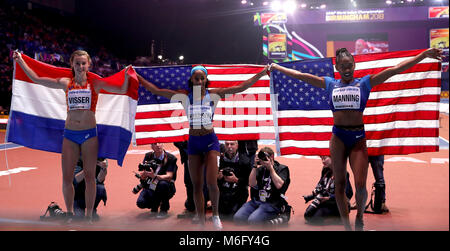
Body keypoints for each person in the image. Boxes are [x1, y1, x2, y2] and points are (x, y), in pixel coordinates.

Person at [270, 47, 442, 230]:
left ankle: (359, 216)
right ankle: (347, 225)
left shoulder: (364, 83)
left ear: (354, 65)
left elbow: (395, 69)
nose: (346, 69)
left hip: (358, 139)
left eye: (349, 65)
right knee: (340, 183)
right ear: (337, 67)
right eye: (343, 66)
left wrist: (423, 55)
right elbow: (300, 75)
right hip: (338, 138)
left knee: (360, 186)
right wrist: (277, 68)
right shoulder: (329, 84)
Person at [137, 64, 269, 230]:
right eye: (196, 78)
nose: (199, 81)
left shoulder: (213, 94)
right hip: (193, 143)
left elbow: (241, 87)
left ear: (206, 80)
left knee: (211, 183)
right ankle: (200, 220)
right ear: (191, 79)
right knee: (196, 185)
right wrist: (137, 75)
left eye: (202, 78)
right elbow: (156, 90)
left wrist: (262, 73)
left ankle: (215, 216)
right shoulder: (184, 96)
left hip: (210, 141)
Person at [13, 50, 131, 223]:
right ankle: (69, 213)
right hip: (69, 135)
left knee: (90, 176)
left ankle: (89, 215)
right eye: (77, 63)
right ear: (72, 64)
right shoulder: (65, 82)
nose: (81, 66)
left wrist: (127, 74)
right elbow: (37, 79)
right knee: (67, 177)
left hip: (89, 135)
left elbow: (122, 88)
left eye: (84, 63)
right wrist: (21, 61)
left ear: (89, 64)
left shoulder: (96, 83)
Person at [233, 147, 290, 225]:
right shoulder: (260, 169)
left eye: (265, 157)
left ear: (272, 157)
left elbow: (279, 185)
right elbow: (251, 184)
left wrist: (270, 168)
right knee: (238, 218)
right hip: (257, 201)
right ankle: (259, 214)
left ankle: (280, 216)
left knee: (253, 221)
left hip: (272, 203)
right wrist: (254, 166)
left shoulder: (282, 169)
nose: (263, 160)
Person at [303, 156, 353, 225]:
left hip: (337, 204)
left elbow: (348, 193)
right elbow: (321, 185)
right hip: (325, 201)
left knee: (315, 219)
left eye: (325, 158)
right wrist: (312, 195)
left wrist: (330, 198)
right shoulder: (325, 170)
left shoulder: (342, 173)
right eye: (321, 159)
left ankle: (339, 217)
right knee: (307, 215)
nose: (323, 161)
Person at [135, 143, 178, 219]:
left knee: (162, 184)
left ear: (163, 144)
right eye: (155, 144)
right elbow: (144, 174)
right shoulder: (148, 156)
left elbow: (169, 176)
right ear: (151, 146)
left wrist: (155, 176)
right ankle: (155, 204)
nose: (158, 145)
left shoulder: (171, 158)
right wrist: (143, 176)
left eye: (160, 143)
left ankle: (164, 209)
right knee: (141, 203)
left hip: (166, 186)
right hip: (151, 185)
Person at [217, 140, 252, 219]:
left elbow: (250, 182)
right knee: (222, 216)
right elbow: (212, 181)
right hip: (223, 191)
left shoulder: (245, 161)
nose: (229, 147)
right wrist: (218, 177)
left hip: (238, 192)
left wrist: (236, 180)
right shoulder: (220, 160)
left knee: (233, 217)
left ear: (237, 146)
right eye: (227, 144)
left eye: (232, 144)